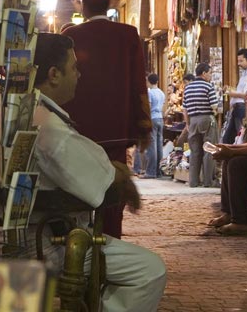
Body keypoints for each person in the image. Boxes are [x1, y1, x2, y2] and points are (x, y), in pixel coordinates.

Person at [31, 32, 167, 310]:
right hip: (44, 244)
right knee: (150, 270)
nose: (79, 75)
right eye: (74, 68)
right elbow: (102, 183)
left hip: (23, 234)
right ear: (54, 74)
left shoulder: (10, 107)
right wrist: (120, 175)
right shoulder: (48, 127)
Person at [63, 0, 151, 238]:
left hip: (78, 131)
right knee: (113, 192)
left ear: (82, 2)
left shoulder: (71, 35)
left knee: (78, 191)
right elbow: (139, 83)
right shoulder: (128, 35)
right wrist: (142, 123)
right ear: (109, 2)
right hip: (116, 131)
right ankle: (111, 243)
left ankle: (80, 246)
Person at [207, 124, 247, 235]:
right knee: (228, 159)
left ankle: (242, 220)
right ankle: (229, 212)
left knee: (236, 164)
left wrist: (233, 151)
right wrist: (229, 148)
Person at [182, 62, 219, 188]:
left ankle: (193, 181)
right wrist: (216, 111)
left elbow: (185, 109)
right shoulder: (208, 86)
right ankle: (208, 181)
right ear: (203, 73)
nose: (210, 76)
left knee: (195, 151)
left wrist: (187, 123)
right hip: (207, 119)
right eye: (209, 73)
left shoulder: (187, 88)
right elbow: (214, 106)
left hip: (193, 121)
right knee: (209, 149)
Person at [221, 48, 247, 144]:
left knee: (239, 135)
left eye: (241, 61)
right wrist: (232, 90)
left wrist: (231, 93)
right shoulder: (245, 72)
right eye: (238, 61)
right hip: (238, 108)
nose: (238, 64)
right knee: (231, 137)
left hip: (242, 108)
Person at [142, 73, 166, 178]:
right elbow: (163, 107)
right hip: (160, 118)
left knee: (152, 146)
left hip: (152, 118)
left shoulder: (150, 93)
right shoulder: (161, 93)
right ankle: (159, 171)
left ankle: (151, 172)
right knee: (159, 146)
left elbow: (149, 107)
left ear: (149, 82)